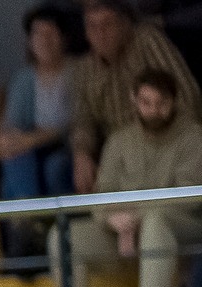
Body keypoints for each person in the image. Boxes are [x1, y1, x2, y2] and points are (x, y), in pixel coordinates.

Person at [55, 67, 202, 287]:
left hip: (183, 230)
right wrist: (111, 220)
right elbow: (101, 194)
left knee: (157, 221)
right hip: (125, 233)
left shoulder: (194, 137)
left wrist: (135, 220)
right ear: (134, 100)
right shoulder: (120, 140)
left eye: (162, 103)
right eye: (147, 102)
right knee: (64, 236)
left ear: (174, 102)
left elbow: (189, 198)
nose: (155, 111)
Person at [73, 0, 200, 194]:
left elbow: (187, 97)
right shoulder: (85, 67)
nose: (100, 33)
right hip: (119, 152)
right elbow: (83, 119)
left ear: (125, 25)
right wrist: (81, 153)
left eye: (108, 24)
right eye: (92, 26)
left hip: (164, 140)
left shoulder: (147, 40)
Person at [0, 6, 80, 205]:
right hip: (31, 148)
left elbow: (78, 122)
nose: (44, 40)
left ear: (64, 38)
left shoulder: (79, 72)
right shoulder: (24, 79)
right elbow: (12, 125)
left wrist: (33, 139)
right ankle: (29, 218)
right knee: (14, 159)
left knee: (55, 166)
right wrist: (6, 140)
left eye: (50, 33)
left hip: (68, 147)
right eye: (37, 34)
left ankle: (41, 221)